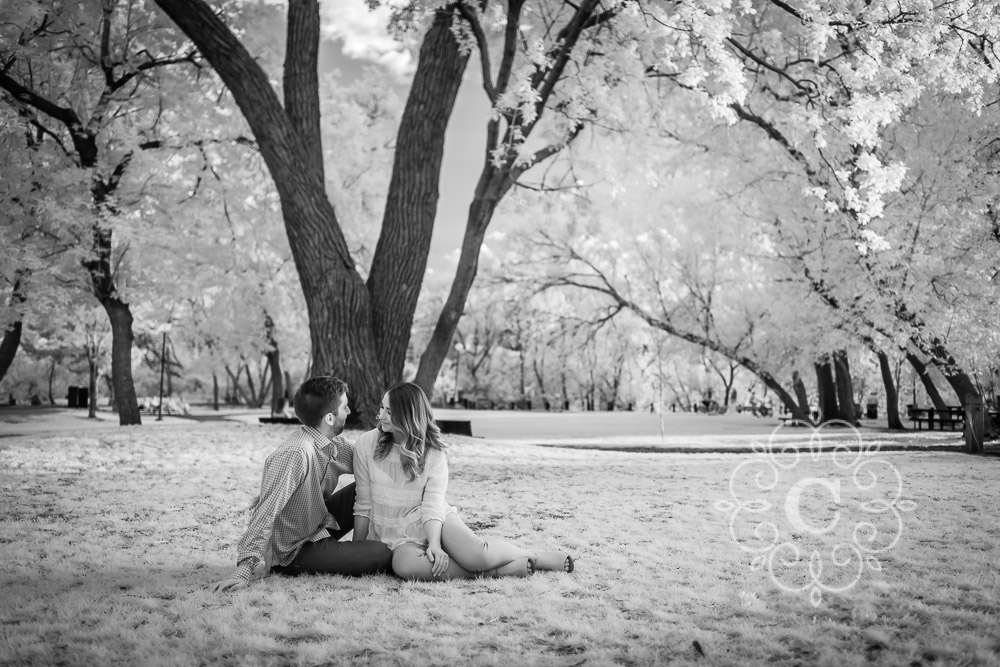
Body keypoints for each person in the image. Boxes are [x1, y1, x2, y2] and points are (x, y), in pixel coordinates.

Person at [353, 382, 573, 581]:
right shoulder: (366, 444)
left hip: (434, 517)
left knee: (477, 556)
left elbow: (432, 504)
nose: (381, 415)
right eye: (382, 407)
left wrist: (436, 545)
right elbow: (363, 502)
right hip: (393, 533)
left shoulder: (433, 453)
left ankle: (535, 556)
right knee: (405, 566)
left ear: (408, 416)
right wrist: (356, 550)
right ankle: (497, 572)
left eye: (389, 412)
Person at [211, 376, 393, 593]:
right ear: (329, 418)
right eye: (345, 407)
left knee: (363, 487)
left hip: (318, 523)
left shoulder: (329, 444)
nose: (350, 412)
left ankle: (367, 547)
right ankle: (358, 552)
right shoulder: (296, 453)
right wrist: (245, 569)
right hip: (294, 549)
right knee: (382, 553)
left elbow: (368, 460)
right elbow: (265, 512)